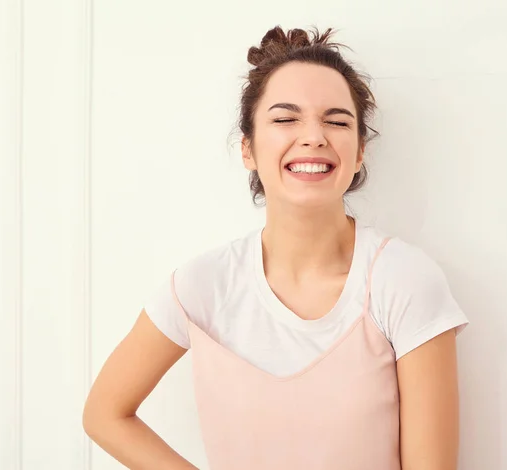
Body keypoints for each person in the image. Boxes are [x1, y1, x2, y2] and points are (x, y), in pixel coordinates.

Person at [83, 25, 469, 470]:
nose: (314, 136)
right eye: (286, 118)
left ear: (360, 150)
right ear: (247, 148)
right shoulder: (202, 285)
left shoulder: (404, 281)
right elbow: (105, 414)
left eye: (337, 121)